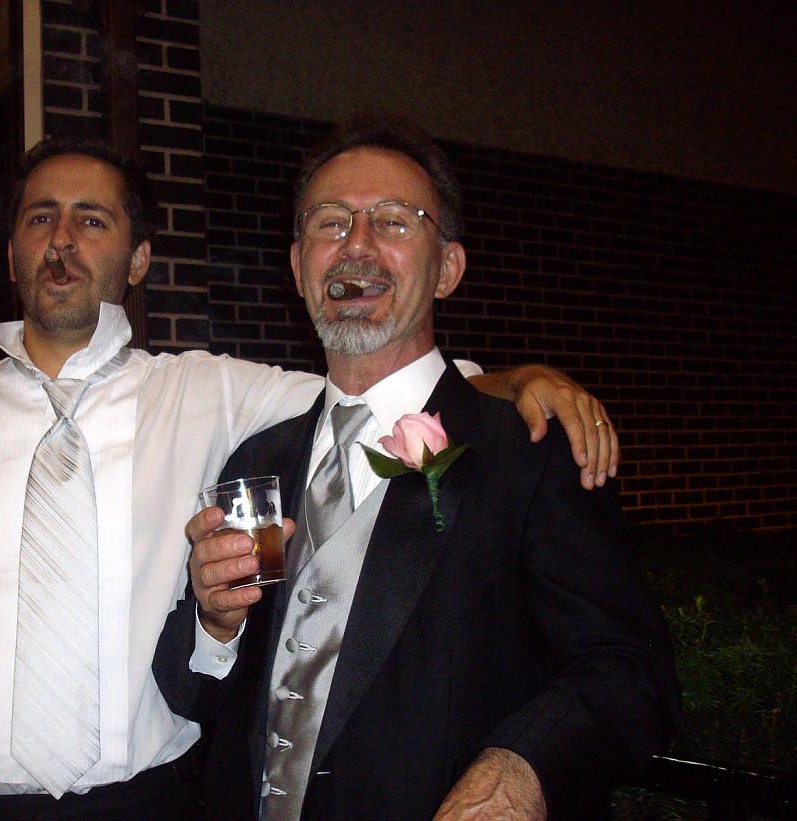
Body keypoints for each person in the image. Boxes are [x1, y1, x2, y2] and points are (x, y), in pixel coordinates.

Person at [0, 135, 620, 819]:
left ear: (138, 259)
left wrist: (519, 379)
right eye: (39, 218)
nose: (61, 239)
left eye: (92, 220)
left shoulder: (210, 393)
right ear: (12, 254)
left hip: (144, 803)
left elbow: (378, 384)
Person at [153, 119, 680, 820]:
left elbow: (627, 668)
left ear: (448, 269)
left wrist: (518, 767)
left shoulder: (527, 450)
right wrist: (216, 627)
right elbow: (203, 697)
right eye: (330, 222)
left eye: (394, 221)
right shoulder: (259, 459)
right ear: (298, 265)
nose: (356, 244)